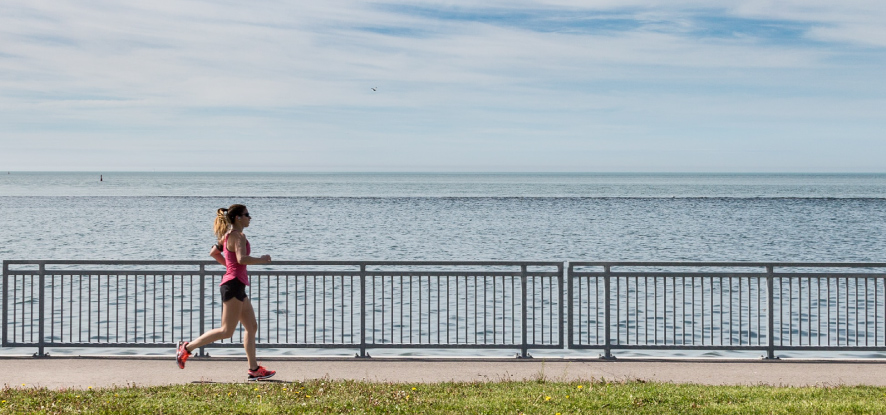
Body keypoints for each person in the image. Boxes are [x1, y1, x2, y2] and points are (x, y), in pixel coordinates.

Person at [176, 204, 275, 381]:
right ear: (238, 217)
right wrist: (261, 259)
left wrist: (230, 268)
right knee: (226, 331)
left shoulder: (227, 236)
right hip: (233, 286)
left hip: (236, 285)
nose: (249, 218)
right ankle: (187, 348)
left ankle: (254, 369)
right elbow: (241, 259)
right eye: (247, 215)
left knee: (251, 326)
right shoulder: (238, 236)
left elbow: (213, 252)